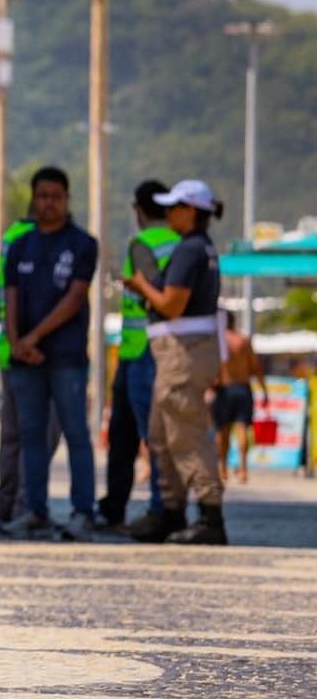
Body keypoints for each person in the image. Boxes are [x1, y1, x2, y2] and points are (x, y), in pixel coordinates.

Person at [0, 167, 101, 541]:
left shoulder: (82, 244)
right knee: (30, 435)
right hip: (25, 359)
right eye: (42, 196)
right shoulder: (20, 245)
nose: (49, 203)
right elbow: (9, 297)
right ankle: (35, 510)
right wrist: (16, 342)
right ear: (33, 198)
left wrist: (35, 337)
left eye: (56, 196)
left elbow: (75, 298)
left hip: (65, 356)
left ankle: (82, 511)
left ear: (67, 199)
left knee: (75, 433)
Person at [125, 180, 228, 544]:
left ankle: (209, 514)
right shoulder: (202, 248)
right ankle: (170, 512)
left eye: (173, 208)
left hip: (183, 353)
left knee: (185, 433)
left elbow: (171, 304)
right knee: (160, 434)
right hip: (183, 352)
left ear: (190, 210)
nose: (167, 214)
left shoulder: (190, 249)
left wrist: (141, 287)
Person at [100, 181, 177, 529]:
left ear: (139, 209)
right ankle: (139, 506)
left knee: (135, 436)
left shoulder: (143, 242)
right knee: (145, 434)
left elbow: (152, 290)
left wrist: (134, 285)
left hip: (141, 352)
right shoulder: (180, 242)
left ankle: (153, 509)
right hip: (158, 348)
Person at [0, 208, 40, 525]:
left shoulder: (11, 237)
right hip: (33, 352)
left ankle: (6, 503)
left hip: (14, 349)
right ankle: (23, 503)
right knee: (35, 436)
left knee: (12, 435)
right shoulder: (30, 240)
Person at [215, 323, 266, 486]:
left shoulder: (218, 341)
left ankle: (222, 468)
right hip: (243, 388)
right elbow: (256, 367)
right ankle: (243, 469)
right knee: (242, 428)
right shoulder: (243, 340)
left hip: (223, 388)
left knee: (222, 431)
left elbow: (212, 368)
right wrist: (264, 391)